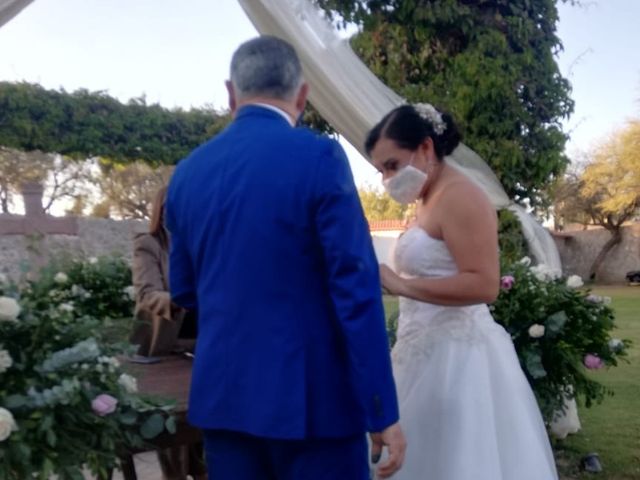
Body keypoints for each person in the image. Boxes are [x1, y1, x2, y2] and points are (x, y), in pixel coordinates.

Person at [165, 35, 405, 480]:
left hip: (226, 399)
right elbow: (356, 291)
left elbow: (183, 289)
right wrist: (380, 409)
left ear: (231, 94)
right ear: (302, 95)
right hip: (314, 404)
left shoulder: (187, 172)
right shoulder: (320, 158)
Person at [367, 104, 558, 480]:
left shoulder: (461, 196)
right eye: (381, 171)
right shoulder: (426, 199)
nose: (386, 179)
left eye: (392, 165)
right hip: (417, 349)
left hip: (459, 359)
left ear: (425, 148)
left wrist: (401, 283)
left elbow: (484, 283)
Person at [130, 186, 207, 480]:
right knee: (173, 435)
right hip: (164, 348)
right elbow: (147, 294)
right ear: (159, 210)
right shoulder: (148, 244)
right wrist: (182, 298)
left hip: (201, 347)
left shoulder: (199, 244)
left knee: (202, 427)